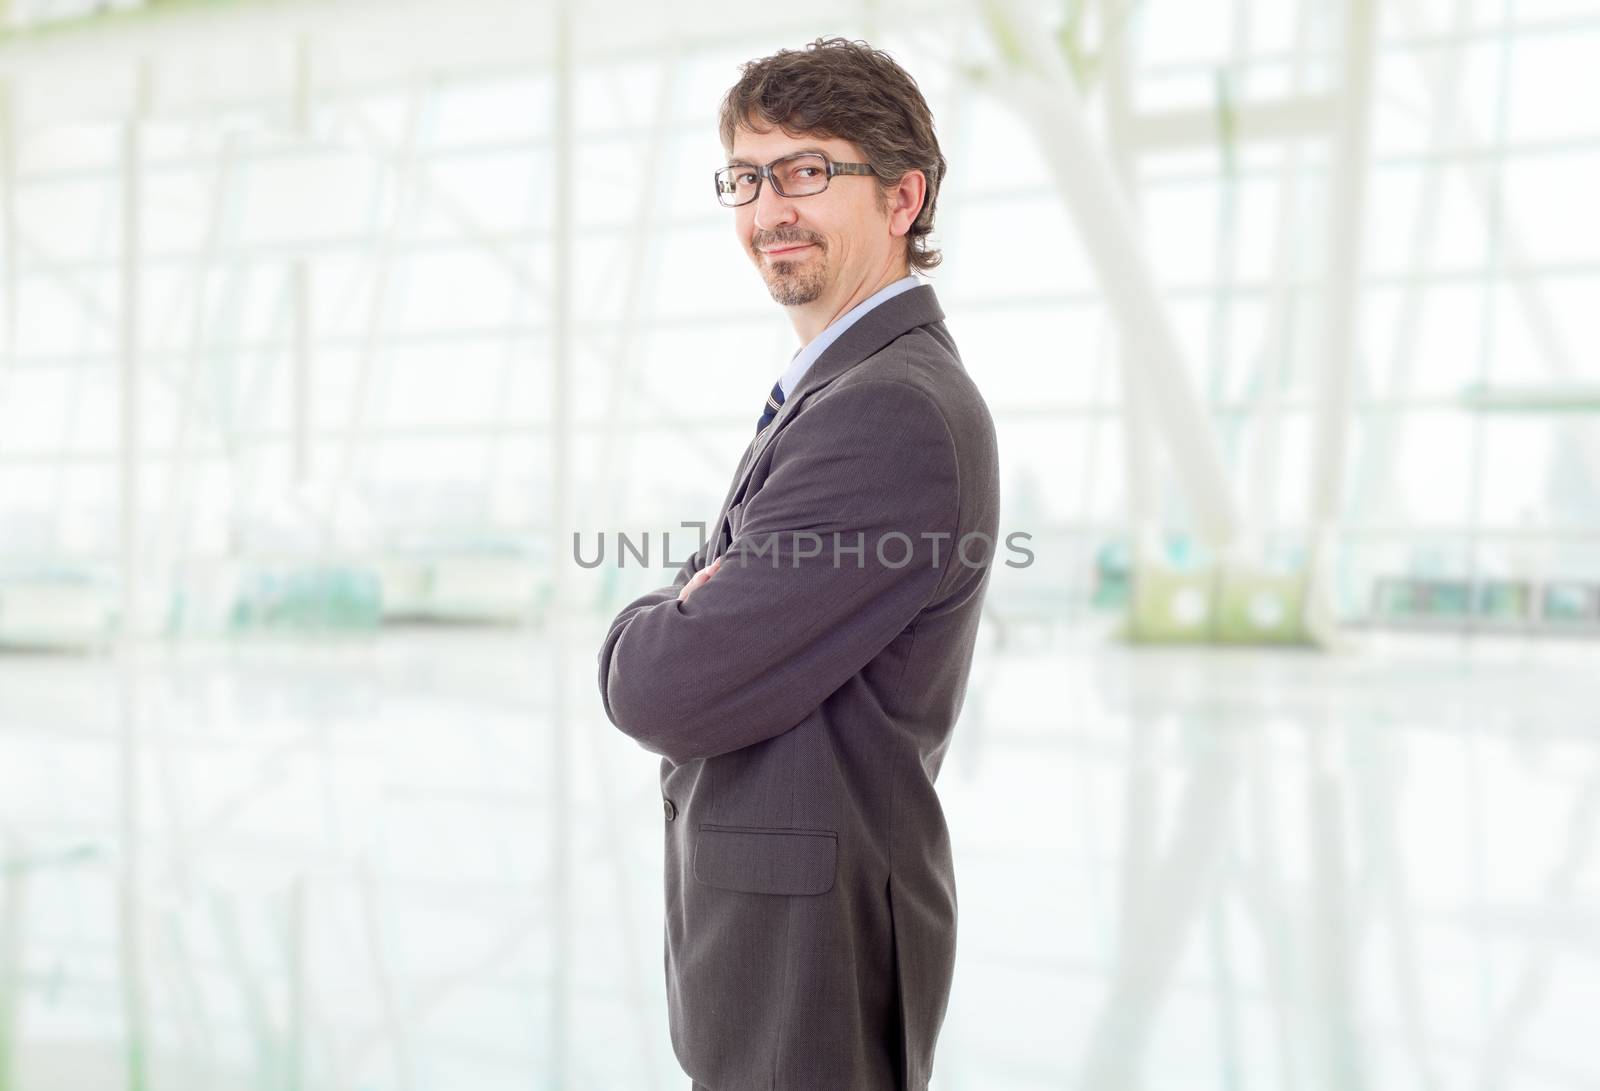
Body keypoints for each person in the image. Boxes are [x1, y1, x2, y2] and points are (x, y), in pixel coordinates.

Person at [597, 36, 999, 1091]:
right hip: (782, 936)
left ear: (903, 196)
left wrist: (658, 615)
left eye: (809, 171)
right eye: (747, 175)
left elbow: (659, 681)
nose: (768, 206)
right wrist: (690, 601)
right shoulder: (840, 386)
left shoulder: (888, 410)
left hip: (809, 956)